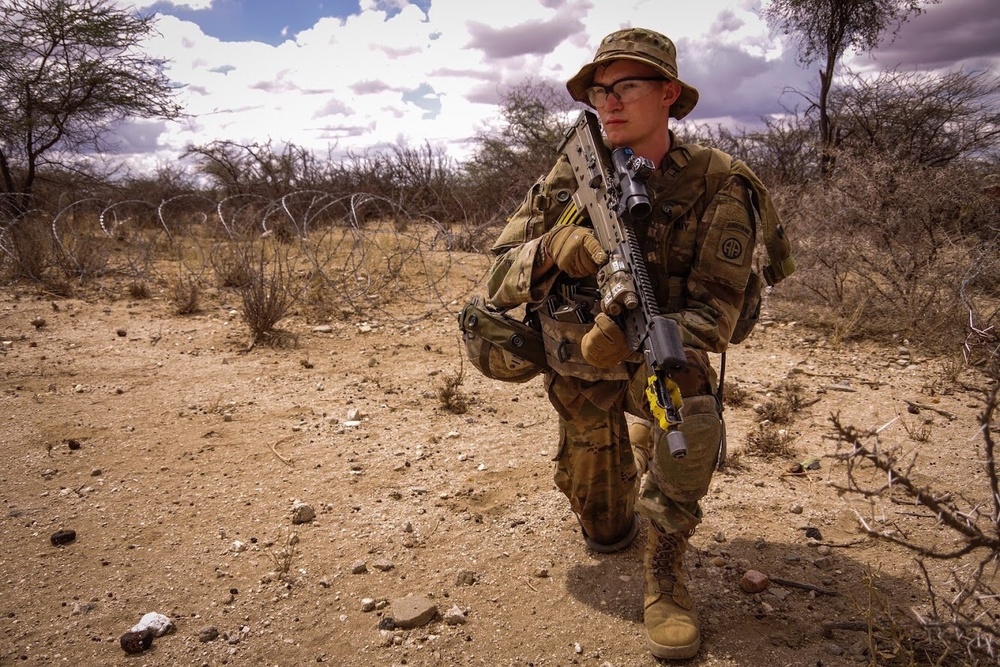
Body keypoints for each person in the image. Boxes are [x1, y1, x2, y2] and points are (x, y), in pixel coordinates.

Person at [483, 28, 773, 660]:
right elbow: (496, 274)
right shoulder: (570, 174)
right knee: (607, 530)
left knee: (686, 407)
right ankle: (623, 464)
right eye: (599, 91)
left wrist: (633, 341)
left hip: (659, 357)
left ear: (669, 93)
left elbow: (717, 314)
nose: (608, 102)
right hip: (578, 367)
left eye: (627, 87)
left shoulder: (718, 183)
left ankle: (665, 576)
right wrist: (553, 250)